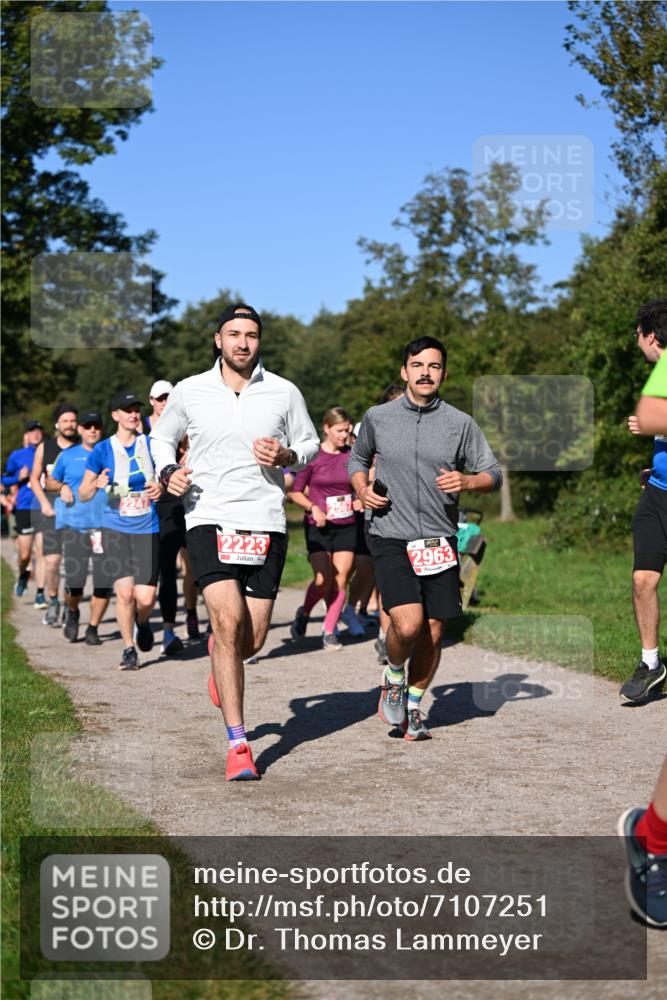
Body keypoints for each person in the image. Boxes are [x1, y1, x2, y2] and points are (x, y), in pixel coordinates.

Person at [150, 302, 319, 781]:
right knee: (227, 621)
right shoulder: (190, 391)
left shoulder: (284, 392)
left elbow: (308, 445)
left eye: (251, 335)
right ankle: (239, 744)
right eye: (234, 334)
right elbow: (161, 439)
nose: (243, 342)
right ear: (217, 340)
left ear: (259, 341)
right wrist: (168, 472)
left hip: (265, 519)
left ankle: (221, 659)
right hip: (209, 516)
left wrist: (287, 453)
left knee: (252, 638)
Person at [349, 336, 502, 742]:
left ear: (444, 374)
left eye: (434, 366)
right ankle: (394, 674)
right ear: (405, 371)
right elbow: (357, 459)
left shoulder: (460, 423)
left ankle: (413, 705)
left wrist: (470, 480)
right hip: (390, 533)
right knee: (409, 622)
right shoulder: (378, 418)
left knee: (434, 630)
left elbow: (493, 473)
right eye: (418, 365)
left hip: (438, 539)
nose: (425, 372)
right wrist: (361, 488)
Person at [79, 390, 162, 670]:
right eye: (127, 409)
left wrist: (160, 486)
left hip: (147, 526)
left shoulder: (151, 444)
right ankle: (129, 649)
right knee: (125, 594)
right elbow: (83, 494)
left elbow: (166, 476)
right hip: (115, 528)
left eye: (136, 409)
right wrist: (96, 484)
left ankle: (142, 621)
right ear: (115, 415)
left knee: (146, 597)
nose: (133, 414)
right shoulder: (102, 450)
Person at [620, 300, 667, 703]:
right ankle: (651, 664)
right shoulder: (659, 373)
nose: (637, 343)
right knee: (642, 579)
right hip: (658, 493)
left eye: (637, 335)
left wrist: (655, 423)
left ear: (650, 335)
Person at [289, 406, 364, 649]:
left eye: (348, 431)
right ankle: (305, 612)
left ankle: (329, 631)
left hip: (346, 525)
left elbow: (362, 485)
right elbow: (295, 492)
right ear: (327, 428)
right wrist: (313, 507)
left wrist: (360, 498)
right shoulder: (313, 457)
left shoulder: (352, 456)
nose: (345, 435)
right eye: (340, 430)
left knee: (341, 580)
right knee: (323, 579)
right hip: (318, 526)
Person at [48, 411, 112, 644]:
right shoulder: (68, 455)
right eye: (88, 426)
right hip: (76, 527)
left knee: (103, 582)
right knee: (75, 583)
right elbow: (49, 481)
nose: (92, 430)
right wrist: (62, 485)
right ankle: (72, 610)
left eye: (96, 426)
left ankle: (93, 628)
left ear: (101, 430)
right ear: (81, 430)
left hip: (106, 528)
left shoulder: (111, 454)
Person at [144, 379, 196, 654]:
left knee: (196, 567)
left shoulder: (185, 425)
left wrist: (189, 455)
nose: (165, 402)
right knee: (165, 571)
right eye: (160, 398)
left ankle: (191, 611)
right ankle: (164, 629)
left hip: (187, 503)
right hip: (159, 507)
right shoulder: (142, 430)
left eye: (169, 397)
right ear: (152, 400)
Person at [29, 403, 79, 625]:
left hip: (79, 513)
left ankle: (71, 605)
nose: (69, 425)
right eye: (65, 421)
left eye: (73, 420)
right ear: (57, 424)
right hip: (51, 512)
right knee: (51, 562)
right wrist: (43, 504)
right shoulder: (45, 447)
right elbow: (34, 479)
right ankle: (52, 601)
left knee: (74, 564)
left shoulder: (84, 447)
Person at [2, 421, 43, 596]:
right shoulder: (17, 455)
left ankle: (41, 593)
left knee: (41, 552)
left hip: (44, 507)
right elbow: (5, 480)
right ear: (26, 435)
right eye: (31, 431)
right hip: (24, 508)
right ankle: (23, 575)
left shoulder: (49, 452)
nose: (35, 434)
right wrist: (19, 477)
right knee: (25, 555)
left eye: (38, 431)